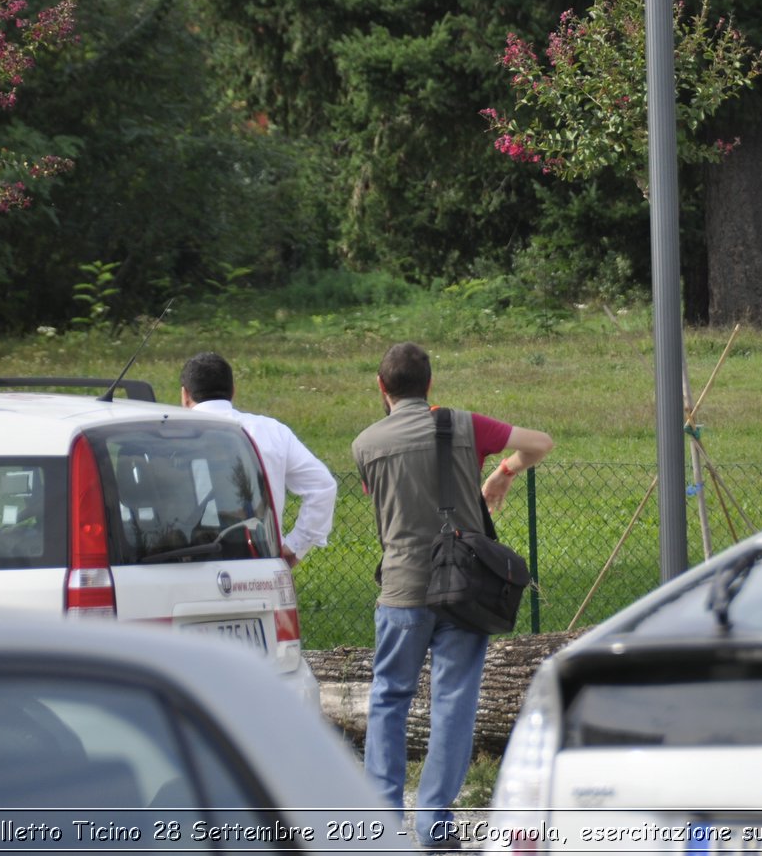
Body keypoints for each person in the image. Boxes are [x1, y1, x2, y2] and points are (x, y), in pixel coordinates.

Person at [353, 341, 553, 849]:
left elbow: (381, 503)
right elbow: (540, 442)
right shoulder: (466, 425)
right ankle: (435, 825)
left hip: (401, 589)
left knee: (389, 698)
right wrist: (502, 473)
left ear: (381, 388)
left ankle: (381, 823)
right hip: (464, 588)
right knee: (453, 701)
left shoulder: (365, 444)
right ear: (431, 385)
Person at [179, 351, 337, 567]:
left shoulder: (168, 436)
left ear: (185, 395)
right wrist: (294, 546)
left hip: (183, 564)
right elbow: (322, 486)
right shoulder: (272, 431)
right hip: (261, 562)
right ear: (233, 391)